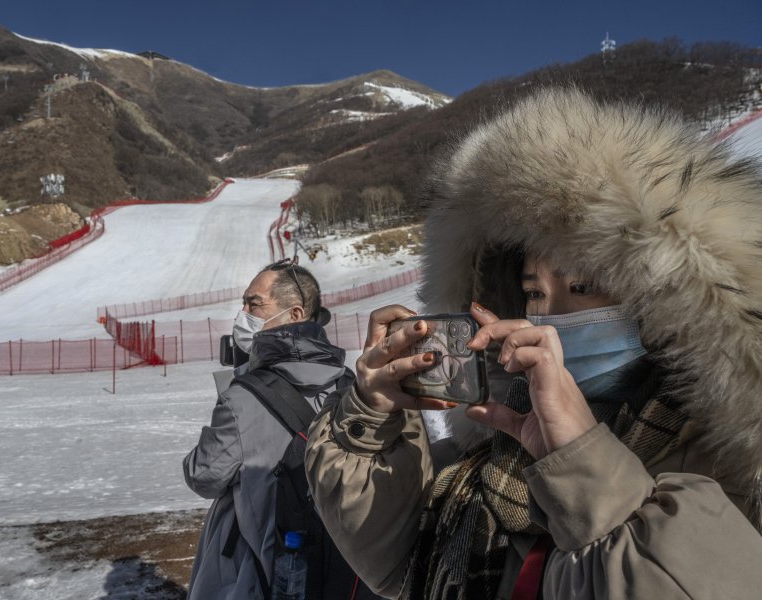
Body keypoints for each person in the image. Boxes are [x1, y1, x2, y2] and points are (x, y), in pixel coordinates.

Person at [305, 87, 762, 599]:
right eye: (531, 293)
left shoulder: (729, 467)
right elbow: (394, 565)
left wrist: (584, 464)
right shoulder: (496, 448)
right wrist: (371, 422)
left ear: (662, 299)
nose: (550, 319)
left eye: (584, 287)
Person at [183, 260, 370, 600]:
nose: (243, 312)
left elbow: (204, 476)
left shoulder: (244, 396)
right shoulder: (350, 385)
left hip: (257, 576)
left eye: (255, 303)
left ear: (295, 314)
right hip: (341, 571)